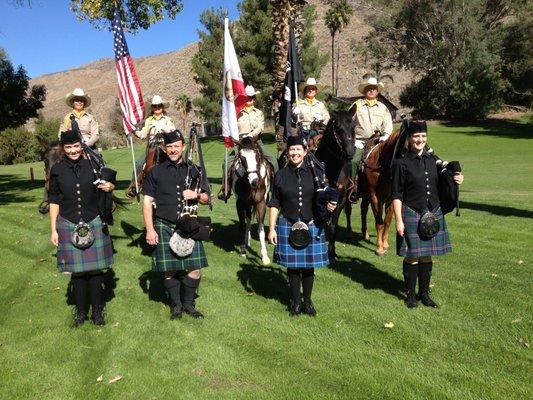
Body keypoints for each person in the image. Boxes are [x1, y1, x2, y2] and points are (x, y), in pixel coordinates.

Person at [391, 120, 464, 308]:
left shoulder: (433, 161)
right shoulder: (401, 163)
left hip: (433, 212)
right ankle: (410, 295)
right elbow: (397, 194)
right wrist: (399, 221)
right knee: (412, 256)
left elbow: (445, 179)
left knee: (427, 256)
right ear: (409, 138)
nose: (420, 140)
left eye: (423, 136)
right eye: (416, 136)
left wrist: (458, 178)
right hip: (411, 212)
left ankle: (424, 294)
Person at [48, 129, 116, 326]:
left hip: (93, 219)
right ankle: (80, 313)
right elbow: (53, 200)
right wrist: (53, 229)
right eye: (68, 147)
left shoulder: (93, 165)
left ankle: (97, 313)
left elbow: (108, 186)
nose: (73, 151)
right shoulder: (57, 170)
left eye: (76, 146)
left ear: (82, 146)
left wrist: (110, 187)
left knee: (95, 271)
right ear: (63, 148)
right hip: (68, 222)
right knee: (77, 273)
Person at [142, 130, 210, 320]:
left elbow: (207, 198)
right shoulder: (155, 172)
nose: (173, 150)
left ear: (183, 147)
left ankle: (189, 304)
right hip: (164, 224)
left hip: (189, 225)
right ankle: (176, 306)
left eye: (176, 146)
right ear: (164, 148)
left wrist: (196, 195)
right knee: (169, 270)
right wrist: (149, 228)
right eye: (169, 147)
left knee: (195, 269)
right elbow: (147, 201)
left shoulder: (194, 170)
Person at [268, 135, 337, 316]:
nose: (295, 153)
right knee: (292, 266)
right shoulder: (281, 175)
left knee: (308, 266)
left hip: (311, 223)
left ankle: (307, 301)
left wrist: (330, 205)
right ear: (287, 152)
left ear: (305, 152)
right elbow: (274, 202)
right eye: (292, 150)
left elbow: (325, 197)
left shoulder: (316, 173)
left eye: (299, 149)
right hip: (288, 223)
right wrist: (271, 228)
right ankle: (296, 302)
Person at [218, 85, 277, 201]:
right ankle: (226, 189)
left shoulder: (259, 113)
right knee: (227, 163)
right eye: (246, 97)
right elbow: (231, 126)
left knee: (273, 161)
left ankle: (275, 191)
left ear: (254, 99)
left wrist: (251, 135)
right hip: (241, 143)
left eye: (250, 97)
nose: (248, 99)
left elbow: (260, 127)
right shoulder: (236, 112)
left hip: (255, 141)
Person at [350, 76, 393, 200]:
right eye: (369, 88)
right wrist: (354, 139)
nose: (371, 91)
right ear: (364, 91)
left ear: (377, 91)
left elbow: (388, 124)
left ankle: (389, 187)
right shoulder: (356, 105)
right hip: (360, 141)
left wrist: (386, 136)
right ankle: (353, 189)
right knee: (353, 161)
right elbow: (348, 123)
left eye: (374, 88)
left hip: (377, 141)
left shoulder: (383, 107)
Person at [126, 95, 175, 198]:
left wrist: (166, 129)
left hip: (165, 147)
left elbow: (173, 133)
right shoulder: (149, 120)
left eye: (159, 106)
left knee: (177, 162)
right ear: (152, 107)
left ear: (162, 107)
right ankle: (135, 186)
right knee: (139, 164)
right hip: (152, 147)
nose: (157, 108)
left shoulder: (168, 120)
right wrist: (134, 131)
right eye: (155, 106)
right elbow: (143, 135)